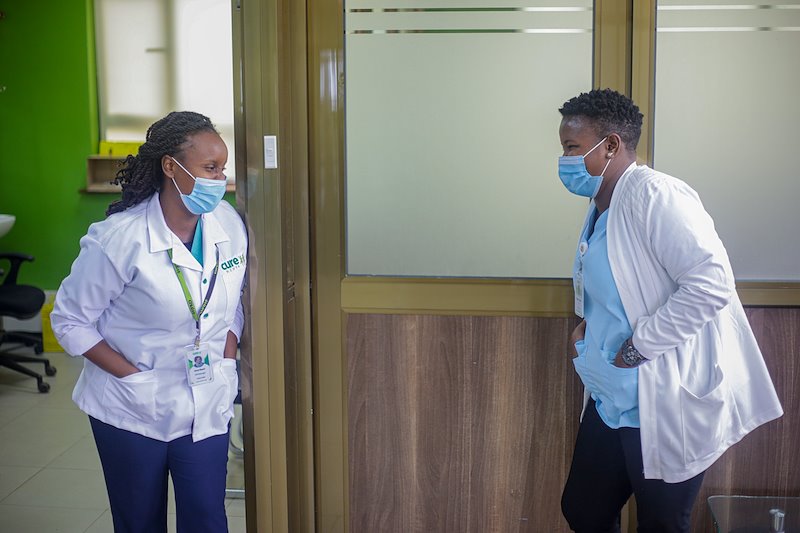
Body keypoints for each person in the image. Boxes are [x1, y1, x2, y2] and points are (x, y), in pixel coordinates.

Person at [555, 89, 782, 533]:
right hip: (610, 396)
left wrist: (638, 347)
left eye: (572, 148)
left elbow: (710, 283)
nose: (563, 160)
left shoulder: (656, 196)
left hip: (660, 399)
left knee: (661, 523)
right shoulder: (603, 205)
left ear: (613, 145)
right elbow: (618, 286)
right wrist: (586, 330)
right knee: (583, 509)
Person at [51, 111, 247, 533]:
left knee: (208, 519)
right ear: (170, 167)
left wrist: (227, 353)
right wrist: (132, 377)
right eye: (210, 168)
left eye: (223, 168)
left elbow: (233, 299)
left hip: (206, 396)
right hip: (131, 407)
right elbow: (68, 321)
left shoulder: (228, 223)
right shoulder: (118, 240)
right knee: (140, 522)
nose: (220, 179)